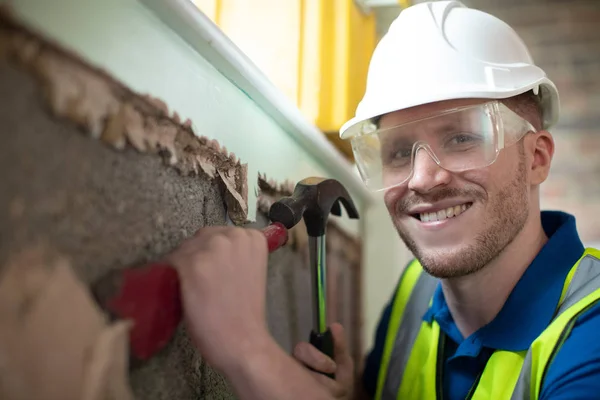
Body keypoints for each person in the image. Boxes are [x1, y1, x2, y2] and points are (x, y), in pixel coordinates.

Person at [166, 1, 600, 399]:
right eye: (396, 151)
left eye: (463, 137)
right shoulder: (418, 290)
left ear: (537, 157)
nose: (424, 179)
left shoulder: (590, 333)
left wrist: (246, 349)